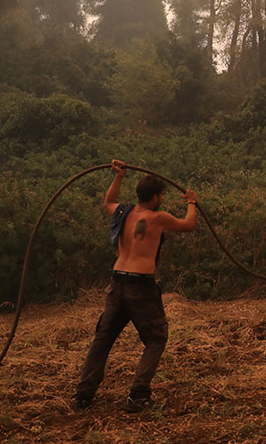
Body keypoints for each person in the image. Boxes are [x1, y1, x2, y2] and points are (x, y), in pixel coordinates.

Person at [74, 159, 198, 412]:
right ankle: (139, 395)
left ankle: (83, 396)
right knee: (156, 339)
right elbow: (189, 225)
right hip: (140, 287)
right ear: (154, 198)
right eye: (162, 195)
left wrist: (118, 177)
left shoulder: (123, 211)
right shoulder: (158, 217)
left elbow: (108, 202)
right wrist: (192, 202)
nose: (162, 199)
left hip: (117, 283)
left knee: (103, 340)